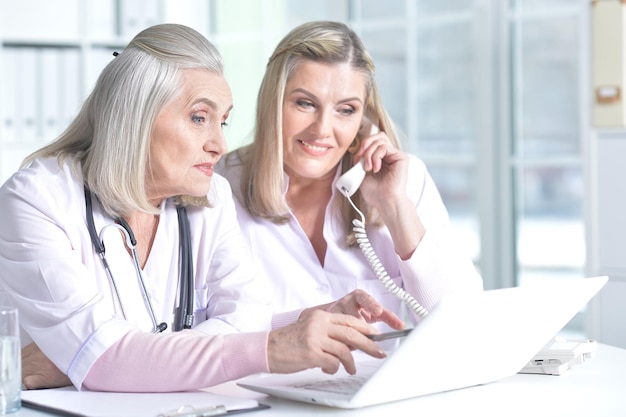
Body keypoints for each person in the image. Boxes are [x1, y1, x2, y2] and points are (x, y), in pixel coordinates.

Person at [0, 23, 395, 393]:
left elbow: (249, 321)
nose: (219, 145)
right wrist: (111, 358)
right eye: (199, 117)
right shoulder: (37, 201)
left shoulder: (212, 198)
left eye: (222, 122)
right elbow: (106, 360)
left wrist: (307, 322)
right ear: (135, 116)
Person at [216, 21, 483, 331]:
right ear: (272, 104)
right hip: (257, 381)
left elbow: (464, 327)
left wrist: (394, 206)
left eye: (346, 110)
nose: (322, 130)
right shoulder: (220, 187)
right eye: (305, 103)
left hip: (380, 379)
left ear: (363, 118)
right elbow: (218, 332)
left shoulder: (404, 184)